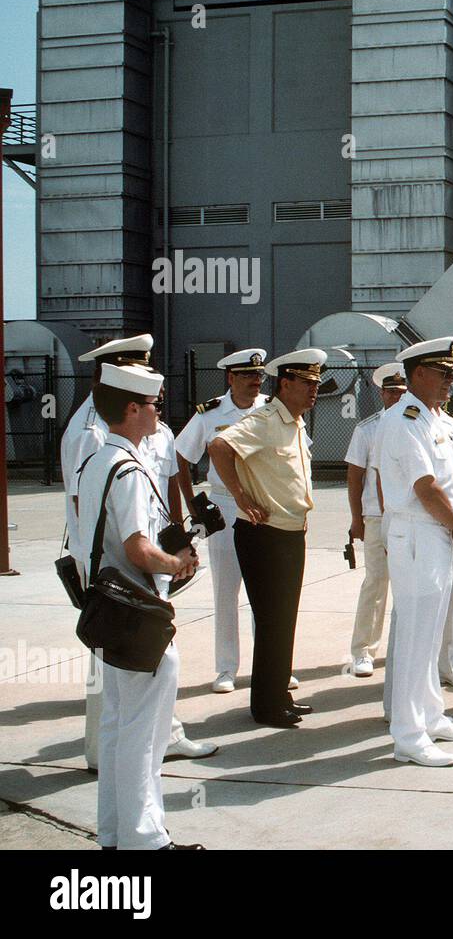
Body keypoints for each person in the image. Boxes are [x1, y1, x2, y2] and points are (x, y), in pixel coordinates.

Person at [63, 334, 215, 768]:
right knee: (115, 673)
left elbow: (156, 498)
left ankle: (160, 736)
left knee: (138, 674)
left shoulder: (144, 431)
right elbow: (89, 510)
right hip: (112, 569)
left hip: (139, 565)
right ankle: (104, 755)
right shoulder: (90, 433)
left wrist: (175, 546)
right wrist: (153, 561)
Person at [76, 363, 203, 849]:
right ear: (133, 408)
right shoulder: (127, 469)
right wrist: (176, 563)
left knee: (117, 727)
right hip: (140, 615)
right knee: (144, 736)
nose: (158, 411)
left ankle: (115, 832)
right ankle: (146, 840)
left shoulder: (94, 461)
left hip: (110, 613)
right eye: (154, 404)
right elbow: (137, 548)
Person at [376, 338, 453, 765]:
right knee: (416, 636)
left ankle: (431, 714)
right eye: (443, 374)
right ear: (418, 373)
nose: (450, 382)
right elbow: (424, 487)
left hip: (438, 532)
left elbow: (449, 482)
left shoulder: (436, 419)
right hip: (417, 534)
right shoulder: (404, 419)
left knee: (434, 633)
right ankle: (407, 735)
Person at [208, 349, 325, 728]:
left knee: (283, 619)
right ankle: (266, 706)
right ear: (286, 384)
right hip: (264, 535)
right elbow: (219, 447)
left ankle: (278, 693)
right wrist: (240, 496)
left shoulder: (294, 422)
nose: (314, 390)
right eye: (307, 383)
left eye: (317, 383)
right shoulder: (264, 420)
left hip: (290, 533)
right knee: (272, 619)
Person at [175, 348, 270, 693]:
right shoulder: (210, 413)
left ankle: (271, 666)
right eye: (248, 375)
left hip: (265, 507)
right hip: (227, 508)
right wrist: (193, 505)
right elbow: (181, 456)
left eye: (259, 375)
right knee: (226, 591)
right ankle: (226, 668)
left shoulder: (271, 410)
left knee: (267, 592)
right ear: (231, 378)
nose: (255, 381)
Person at [342, 363, 407, 678]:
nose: (397, 397)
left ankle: (405, 648)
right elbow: (355, 478)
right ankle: (364, 650)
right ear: (382, 393)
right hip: (376, 517)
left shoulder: (415, 424)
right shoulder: (367, 429)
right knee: (376, 583)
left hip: (410, 517)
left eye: (402, 392)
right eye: (392, 391)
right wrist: (357, 519)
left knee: (411, 585)